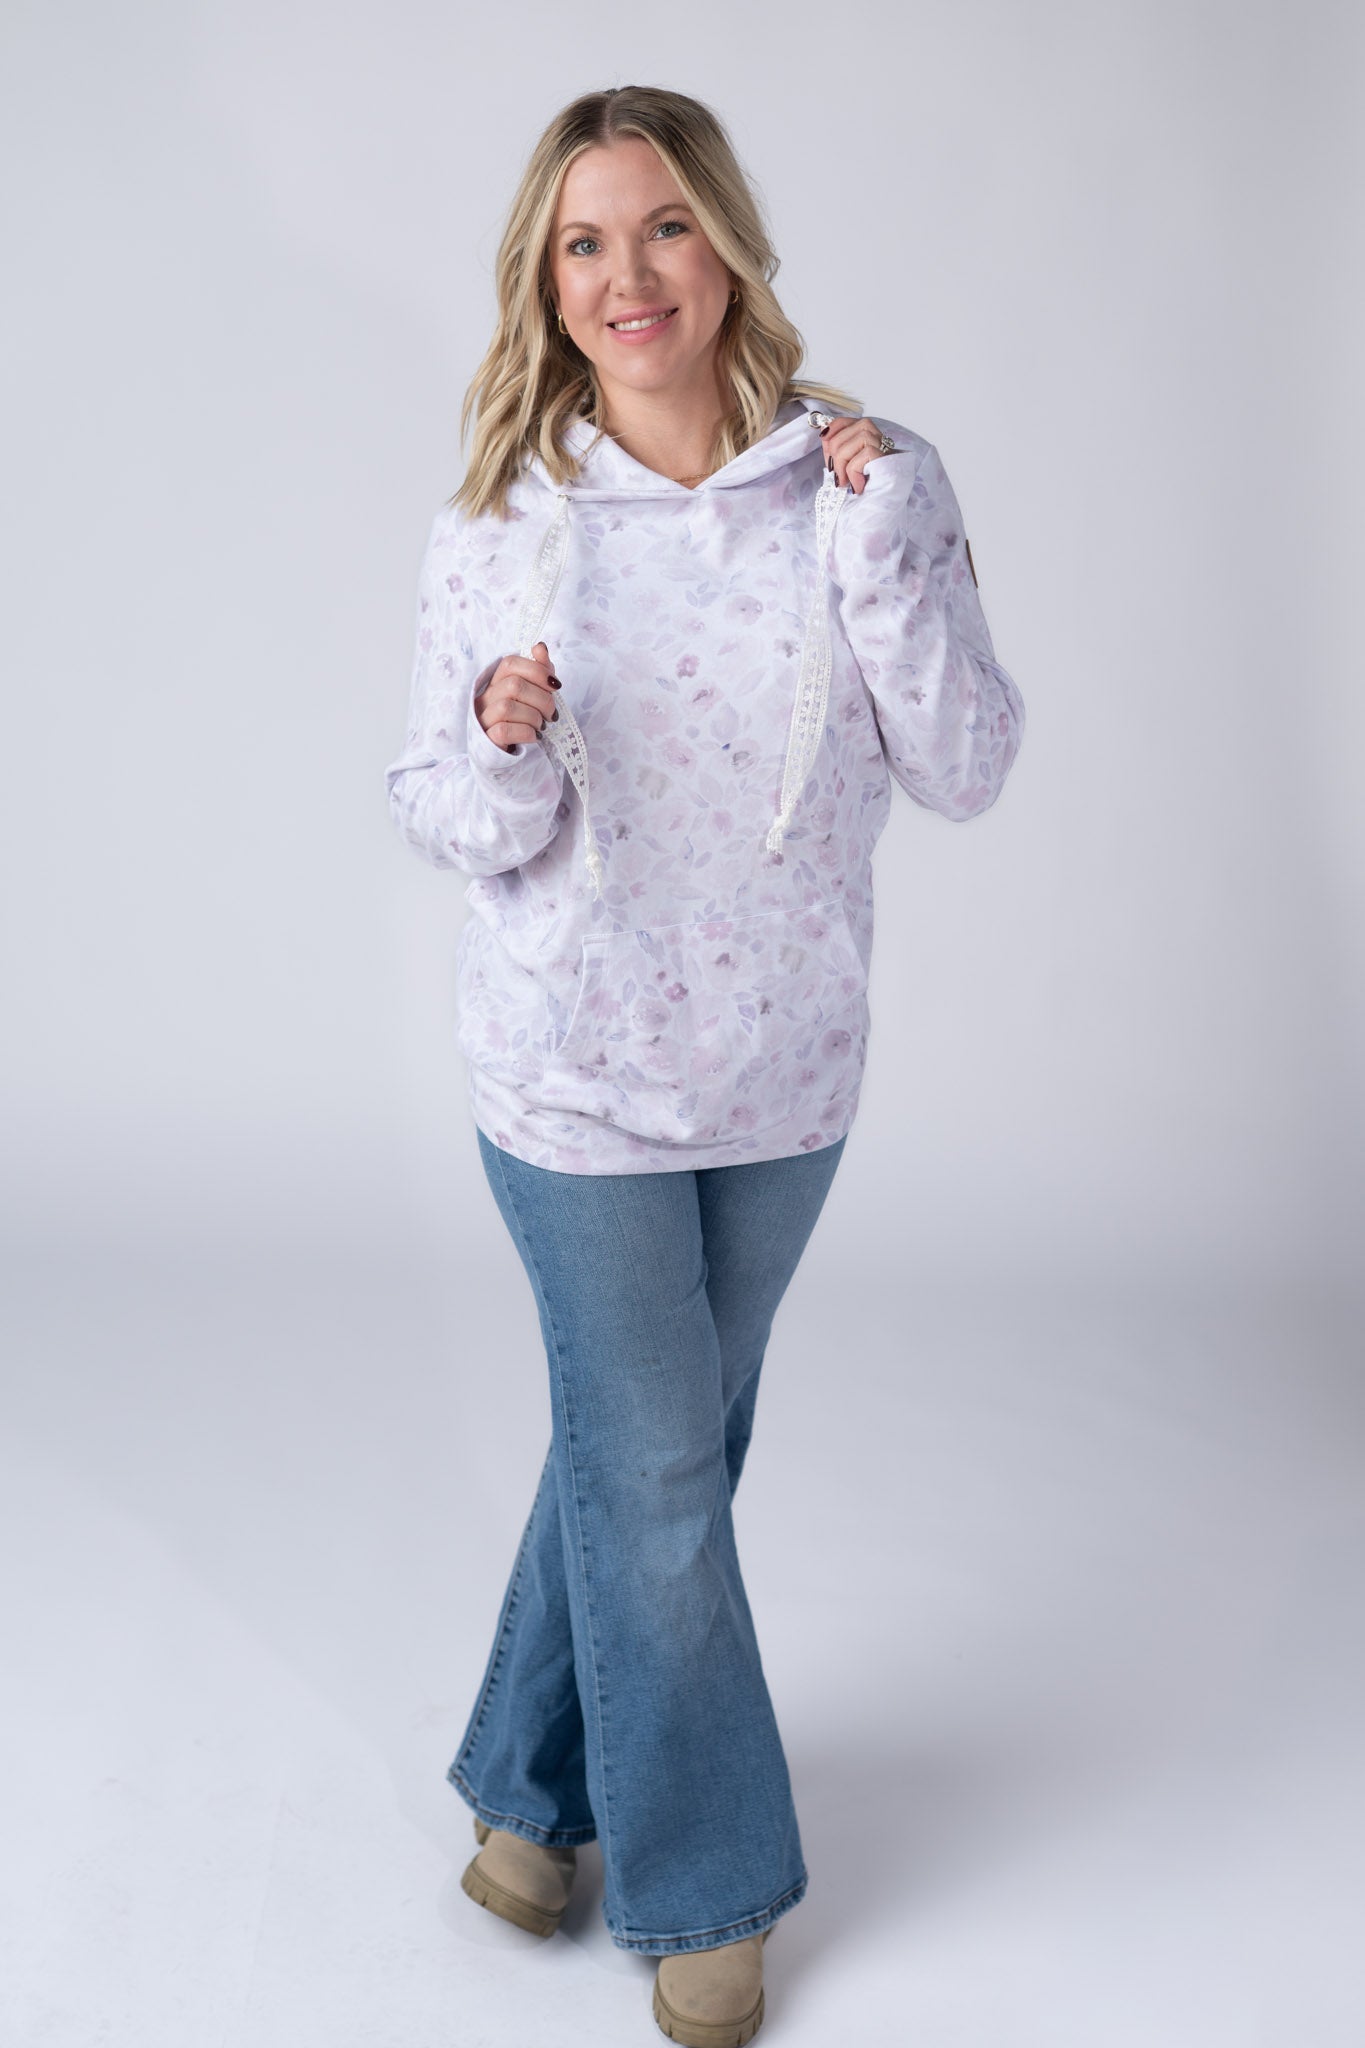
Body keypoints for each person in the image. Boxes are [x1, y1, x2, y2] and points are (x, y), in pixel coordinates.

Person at [384, 83, 1025, 2048]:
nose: (626, 275)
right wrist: (498, 739)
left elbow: (965, 765)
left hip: (783, 1075)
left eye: (659, 225)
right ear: (544, 280)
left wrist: (884, 553)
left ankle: (524, 1799)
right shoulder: (506, 518)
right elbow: (442, 812)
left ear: (725, 241)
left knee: (652, 1452)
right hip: (569, 1080)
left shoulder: (867, 482)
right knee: (657, 1468)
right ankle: (706, 1890)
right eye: (582, 243)